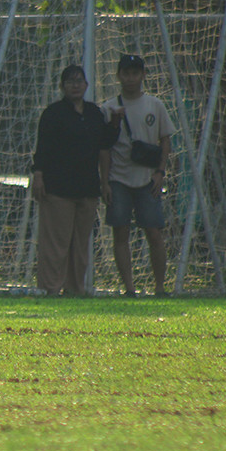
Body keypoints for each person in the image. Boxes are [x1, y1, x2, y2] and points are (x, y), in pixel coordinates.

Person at [31, 65, 120, 295]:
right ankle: (50, 288)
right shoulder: (53, 113)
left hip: (87, 188)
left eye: (79, 80)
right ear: (61, 86)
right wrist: (38, 176)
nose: (75, 85)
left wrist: (116, 122)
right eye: (70, 81)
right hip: (57, 188)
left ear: (86, 85)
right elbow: (42, 148)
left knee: (80, 244)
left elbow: (104, 144)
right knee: (56, 243)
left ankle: (75, 288)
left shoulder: (93, 113)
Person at [101, 54, 176, 297]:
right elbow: (104, 148)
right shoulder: (109, 107)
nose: (130, 78)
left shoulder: (155, 105)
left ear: (143, 75)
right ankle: (129, 289)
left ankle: (160, 287)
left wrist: (160, 173)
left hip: (148, 180)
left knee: (154, 232)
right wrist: (105, 182)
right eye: (126, 73)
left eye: (135, 73)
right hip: (118, 179)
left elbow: (165, 141)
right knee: (120, 232)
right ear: (118, 75)